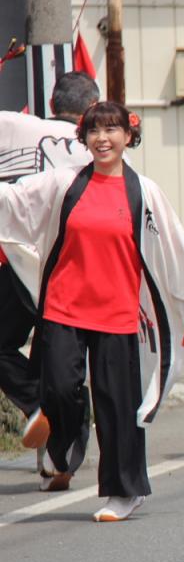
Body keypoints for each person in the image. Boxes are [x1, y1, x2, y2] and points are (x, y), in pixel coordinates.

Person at [0, 101, 184, 522]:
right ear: (84, 138)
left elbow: (173, 248)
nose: (103, 138)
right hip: (63, 306)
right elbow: (14, 200)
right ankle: (63, 447)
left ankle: (124, 490)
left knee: (117, 404)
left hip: (117, 312)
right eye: (95, 131)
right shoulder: (64, 183)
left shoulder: (144, 192)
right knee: (58, 387)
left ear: (128, 136)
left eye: (112, 129)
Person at [0, 71, 98, 491]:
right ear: (91, 108)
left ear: (53, 104)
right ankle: (61, 458)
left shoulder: (16, 126)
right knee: (62, 364)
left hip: (22, 262)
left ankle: (36, 405)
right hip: (76, 268)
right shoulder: (99, 143)